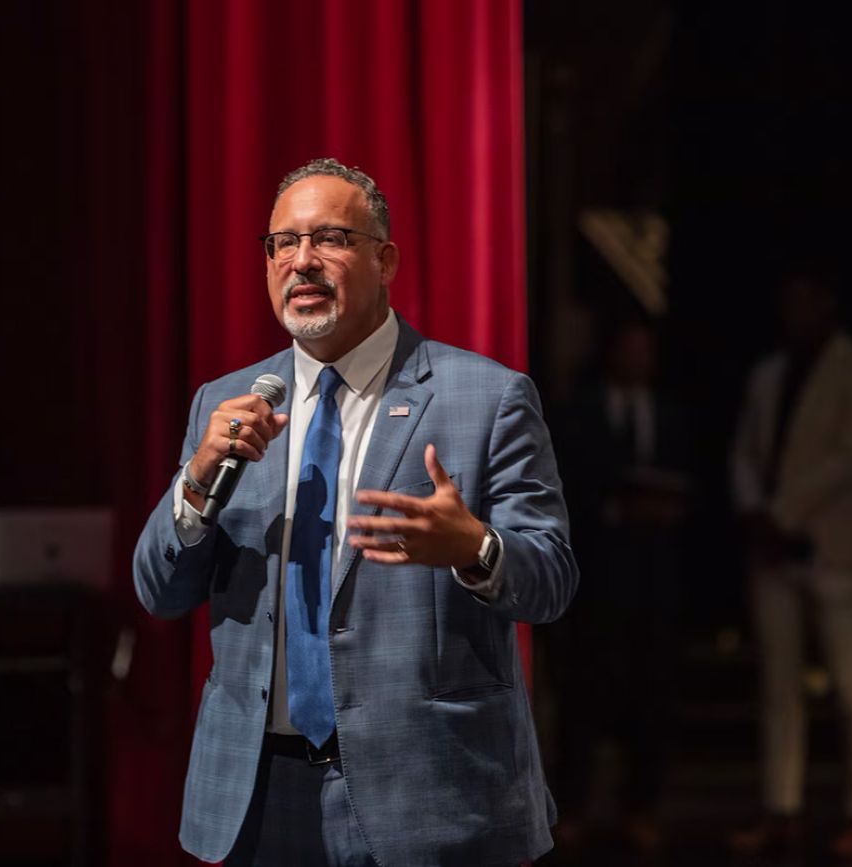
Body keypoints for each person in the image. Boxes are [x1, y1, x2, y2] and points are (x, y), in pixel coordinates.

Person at [133, 158, 579, 866]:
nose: (301, 261)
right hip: (258, 794)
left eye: (330, 238)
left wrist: (475, 547)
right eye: (282, 243)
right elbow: (159, 591)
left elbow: (552, 579)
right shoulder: (227, 404)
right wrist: (194, 482)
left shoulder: (486, 399)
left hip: (430, 793)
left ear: (385, 258)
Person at [729, 269, 852, 859]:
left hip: (832, 546)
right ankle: (781, 808)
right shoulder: (769, 373)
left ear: (827, 305)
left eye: (805, 302)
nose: (793, 313)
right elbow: (745, 449)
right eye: (787, 302)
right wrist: (754, 509)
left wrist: (785, 512)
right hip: (772, 549)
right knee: (779, 684)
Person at [552, 320, 692, 854]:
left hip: (656, 574)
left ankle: (642, 807)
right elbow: (563, 485)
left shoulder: (672, 414)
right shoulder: (579, 412)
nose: (637, 359)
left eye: (645, 351)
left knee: (653, 694)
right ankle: (573, 807)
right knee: (585, 693)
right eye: (627, 348)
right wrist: (611, 508)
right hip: (595, 572)